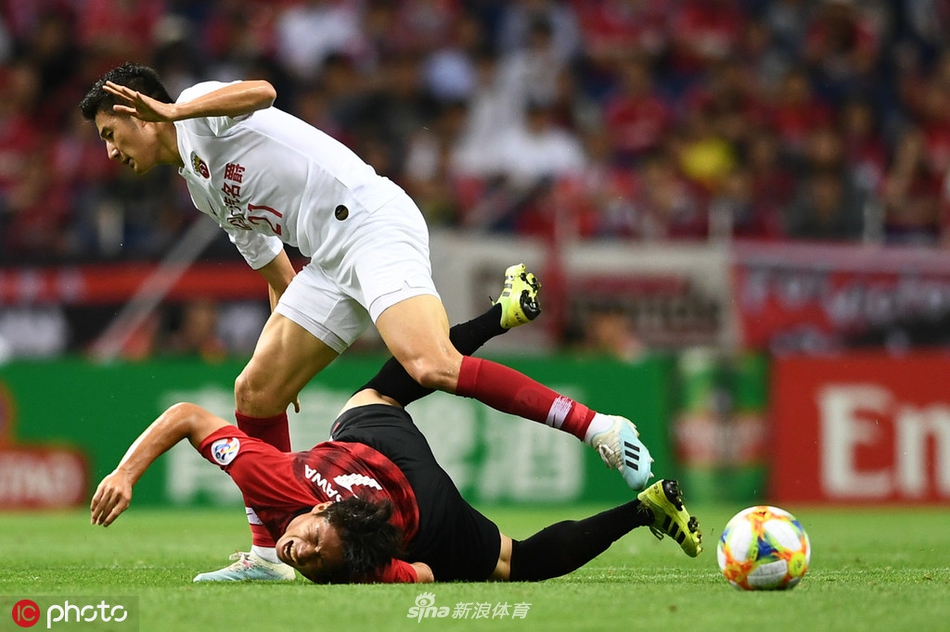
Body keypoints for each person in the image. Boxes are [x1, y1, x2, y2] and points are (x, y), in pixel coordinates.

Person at [79, 64, 653, 577]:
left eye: (109, 132)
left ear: (138, 109)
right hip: (326, 259)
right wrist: (287, 353)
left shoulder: (199, 109)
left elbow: (263, 91)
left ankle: (599, 427)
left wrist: (174, 110)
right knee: (256, 390)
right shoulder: (200, 189)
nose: (109, 151)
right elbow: (275, 268)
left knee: (430, 364)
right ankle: (267, 557)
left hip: (369, 222)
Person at [90, 288, 703, 584]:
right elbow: (186, 416)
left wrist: (124, 473)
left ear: (318, 509)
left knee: (515, 562)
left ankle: (643, 510)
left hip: (401, 485)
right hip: (401, 480)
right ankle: (503, 315)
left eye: (307, 547)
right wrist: (124, 474)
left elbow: (185, 416)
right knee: (390, 387)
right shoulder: (343, 544)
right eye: (313, 553)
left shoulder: (287, 491)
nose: (301, 551)